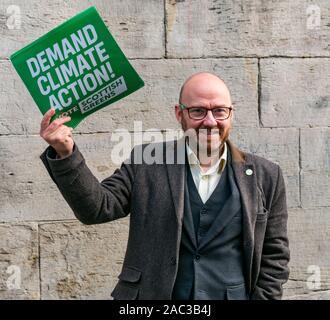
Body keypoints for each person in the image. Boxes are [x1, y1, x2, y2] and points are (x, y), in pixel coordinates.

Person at [40, 72, 290, 300]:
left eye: (220, 111)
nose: (210, 121)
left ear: (231, 114)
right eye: (198, 111)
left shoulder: (267, 175)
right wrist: (65, 152)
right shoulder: (146, 162)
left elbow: (275, 258)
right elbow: (97, 208)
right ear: (179, 114)